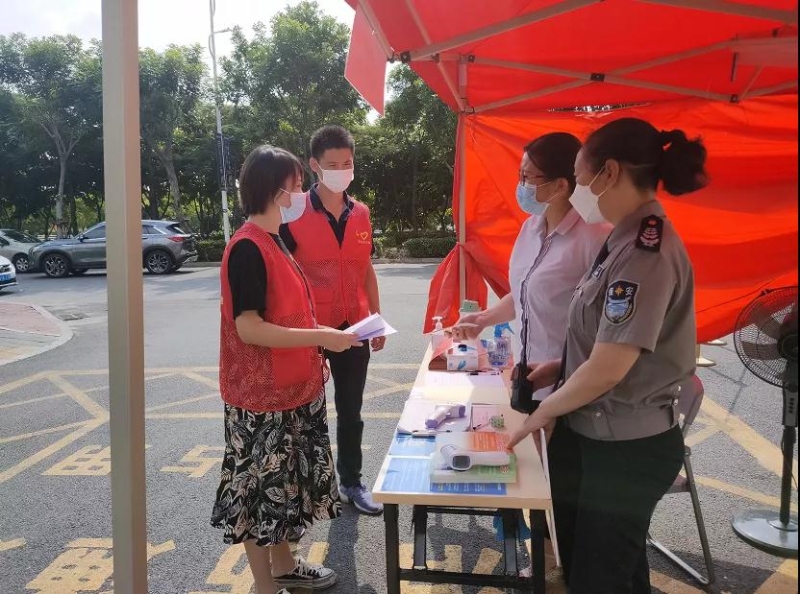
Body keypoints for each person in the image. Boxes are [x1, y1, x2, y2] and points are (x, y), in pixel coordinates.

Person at [507, 117, 708, 594]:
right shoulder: (621, 238)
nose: (577, 190)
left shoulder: (644, 250)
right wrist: (560, 368)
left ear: (609, 173)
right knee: (607, 570)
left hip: (624, 447)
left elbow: (611, 366)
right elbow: (607, 341)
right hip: (595, 434)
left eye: (578, 177)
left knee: (599, 578)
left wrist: (545, 411)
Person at [452, 132, 610, 572]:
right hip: (527, 376)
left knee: (560, 486)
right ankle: (547, 561)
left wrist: (568, 369)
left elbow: (606, 324)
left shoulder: (594, 238)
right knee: (536, 478)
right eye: (520, 174)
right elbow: (522, 293)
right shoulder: (531, 228)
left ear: (561, 185)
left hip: (568, 382)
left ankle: (559, 567)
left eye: (528, 177)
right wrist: (484, 317)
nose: (520, 185)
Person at [211, 145, 361, 594]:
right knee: (261, 494)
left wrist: (323, 334)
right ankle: (265, 585)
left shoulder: (273, 239)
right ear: (277, 191)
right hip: (262, 401)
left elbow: (287, 312)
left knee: (285, 489)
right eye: (297, 185)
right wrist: (321, 336)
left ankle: (284, 565)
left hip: (292, 389)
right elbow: (250, 327)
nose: (302, 193)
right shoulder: (247, 247)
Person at [280, 125, 384, 515]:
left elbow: (365, 268)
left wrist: (376, 316)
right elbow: (283, 271)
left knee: (351, 410)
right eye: (333, 164)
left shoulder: (362, 213)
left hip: (354, 325)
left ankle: (351, 481)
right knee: (302, 412)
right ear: (314, 165)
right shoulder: (293, 212)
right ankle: (301, 486)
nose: (341, 171)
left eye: (347, 163)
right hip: (308, 329)